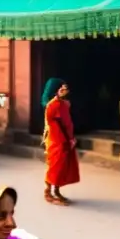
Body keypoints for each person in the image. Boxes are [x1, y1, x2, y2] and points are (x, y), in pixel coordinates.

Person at [42, 77, 79, 205]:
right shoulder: (51, 106)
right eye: (62, 88)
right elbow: (54, 125)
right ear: (55, 90)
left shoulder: (64, 104)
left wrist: (71, 138)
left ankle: (56, 191)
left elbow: (67, 122)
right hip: (56, 140)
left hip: (67, 139)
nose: (65, 91)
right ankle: (48, 192)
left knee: (63, 167)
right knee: (55, 166)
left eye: (66, 89)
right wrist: (67, 139)